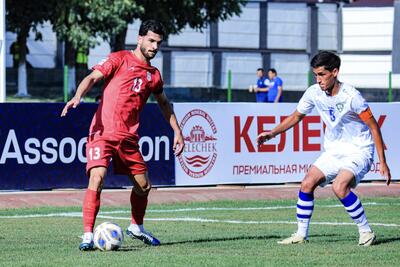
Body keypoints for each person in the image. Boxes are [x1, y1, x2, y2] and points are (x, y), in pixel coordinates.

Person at [61, 20, 185, 251]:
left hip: (128, 138)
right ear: (139, 39)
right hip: (103, 132)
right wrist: (78, 96)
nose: (155, 46)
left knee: (144, 187)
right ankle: (87, 235)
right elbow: (92, 78)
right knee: (97, 178)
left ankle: (136, 226)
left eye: (158, 43)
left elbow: (164, 103)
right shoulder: (119, 59)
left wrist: (177, 131)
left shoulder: (153, 75)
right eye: (151, 40)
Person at [256, 51, 391, 246]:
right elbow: (296, 116)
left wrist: (383, 162)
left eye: (322, 74)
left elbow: (373, 126)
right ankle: (301, 235)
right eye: (316, 75)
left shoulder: (352, 96)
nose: (318, 80)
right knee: (307, 183)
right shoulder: (314, 93)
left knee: (339, 186)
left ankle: (366, 231)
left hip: (359, 150)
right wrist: (272, 133)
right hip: (333, 151)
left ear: (334, 72)